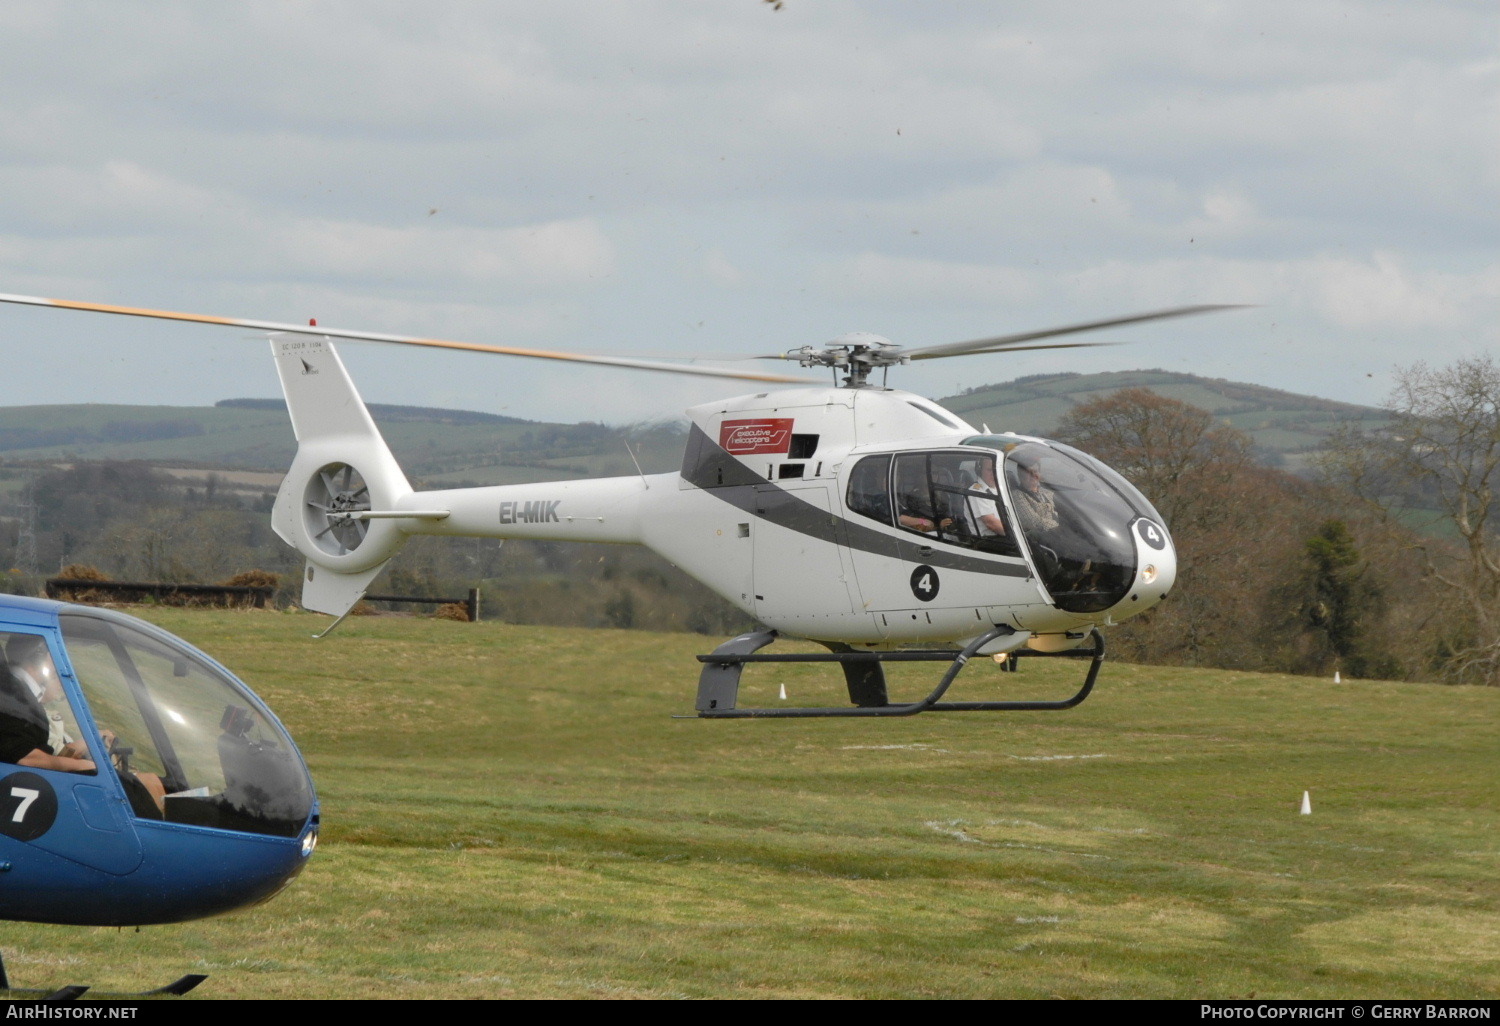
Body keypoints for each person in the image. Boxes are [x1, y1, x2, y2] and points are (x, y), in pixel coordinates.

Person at [0, 637, 95, 774]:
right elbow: (26, 756)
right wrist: (84, 760)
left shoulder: (22, 695)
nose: (60, 662)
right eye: (53, 653)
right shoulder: (15, 696)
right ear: (37, 657)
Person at [1011, 451, 1060, 535]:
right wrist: (1059, 527)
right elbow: (1033, 522)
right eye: (1029, 473)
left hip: (1059, 534)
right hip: (1042, 538)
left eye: (1036, 471)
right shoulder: (1017, 495)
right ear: (1020, 475)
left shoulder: (1048, 492)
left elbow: (1065, 513)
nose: (1033, 475)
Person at [966, 459, 1008, 539]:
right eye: (989, 470)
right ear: (979, 471)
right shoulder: (976, 491)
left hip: (1001, 534)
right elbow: (991, 523)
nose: (993, 474)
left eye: (996, 470)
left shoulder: (998, 489)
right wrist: (1015, 536)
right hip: (988, 540)